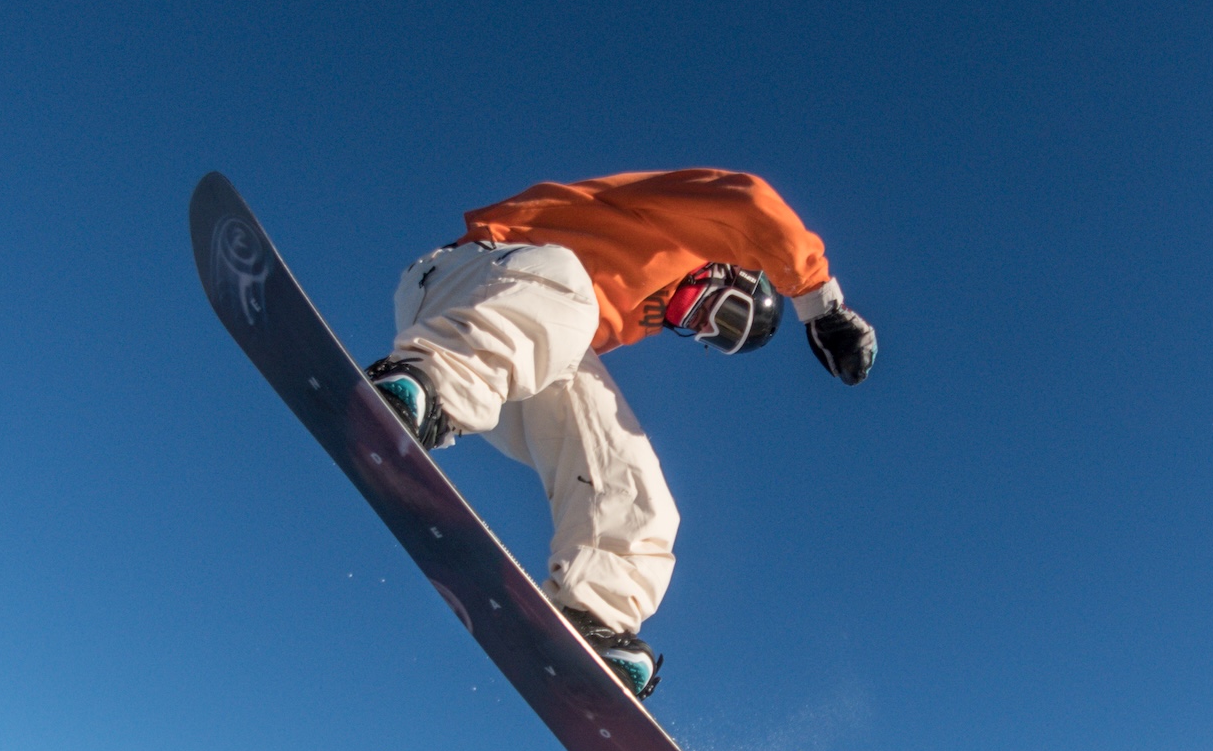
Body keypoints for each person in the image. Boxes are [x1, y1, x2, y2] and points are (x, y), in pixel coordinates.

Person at [365, 170, 878, 697]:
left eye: (717, 336)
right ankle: (425, 382)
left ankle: (590, 617)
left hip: (520, 341)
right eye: (725, 314)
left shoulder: (626, 318)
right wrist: (821, 304)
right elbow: (749, 201)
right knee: (570, 287)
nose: (699, 324)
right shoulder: (676, 233)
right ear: (726, 268)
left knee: (635, 483)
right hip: (476, 275)